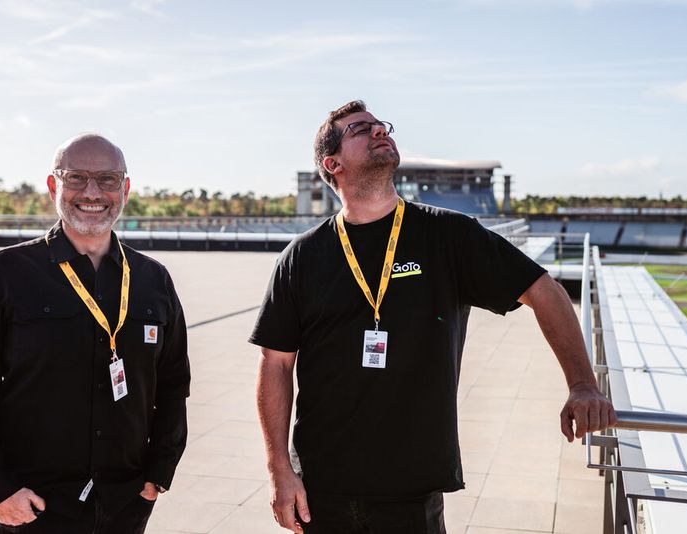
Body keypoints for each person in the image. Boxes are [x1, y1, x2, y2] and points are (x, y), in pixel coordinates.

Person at [250, 100, 616, 533]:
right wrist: (279, 470)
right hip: (320, 488)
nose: (380, 131)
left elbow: (546, 292)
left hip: (412, 489)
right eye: (361, 129)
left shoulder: (448, 235)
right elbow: (276, 364)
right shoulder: (302, 257)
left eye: (382, 126)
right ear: (333, 164)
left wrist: (582, 384)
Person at [0, 134, 191, 533]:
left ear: (125, 188)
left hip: (123, 505)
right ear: (53, 185)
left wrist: (159, 472)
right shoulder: (8, 273)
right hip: (33, 507)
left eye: (107, 179)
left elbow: (174, 384)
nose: (92, 192)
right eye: (76, 177)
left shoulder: (153, 279)